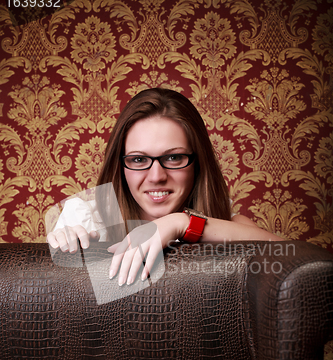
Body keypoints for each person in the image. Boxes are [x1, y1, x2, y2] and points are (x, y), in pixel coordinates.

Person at [47, 88, 283, 286]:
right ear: (121, 167)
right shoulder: (86, 220)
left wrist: (182, 223)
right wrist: (60, 256)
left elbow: (293, 260)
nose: (156, 176)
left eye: (173, 158)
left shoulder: (223, 227)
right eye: (139, 160)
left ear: (197, 163)